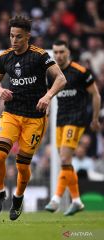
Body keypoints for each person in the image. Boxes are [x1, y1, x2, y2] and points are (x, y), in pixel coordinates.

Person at [0, 15, 67, 221]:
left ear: (28, 37)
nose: (14, 40)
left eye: (18, 37)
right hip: (12, 113)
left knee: (22, 165)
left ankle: (18, 198)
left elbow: (61, 78)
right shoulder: (5, 57)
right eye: (11, 36)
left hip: (35, 118)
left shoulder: (40, 56)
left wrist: (48, 95)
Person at [45, 40, 101, 216]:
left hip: (76, 120)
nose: (58, 55)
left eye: (62, 52)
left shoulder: (81, 72)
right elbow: (49, 95)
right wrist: (46, 108)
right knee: (66, 162)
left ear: (68, 52)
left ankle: (56, 198)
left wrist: (94, 118)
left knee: (63, 159)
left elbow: (96, 95)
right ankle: (76, 200)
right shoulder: (52, 74)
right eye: (56, 52)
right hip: (60, 120)